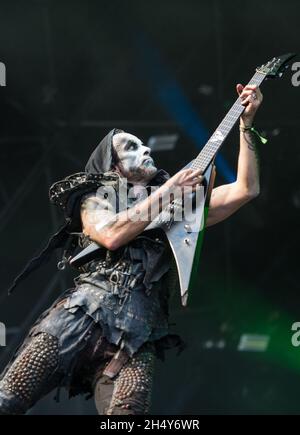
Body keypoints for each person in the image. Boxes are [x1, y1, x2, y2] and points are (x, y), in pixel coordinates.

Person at [0, 84, 262, 415]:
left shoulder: (175, 208)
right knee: (7, 399)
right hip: (81, 315)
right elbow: (109, 234)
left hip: (138, 336)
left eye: (143, 145)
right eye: (131, 148)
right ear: (112, 167)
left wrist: (246, 125)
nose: (145, 151)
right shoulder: (96, 196)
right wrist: (168, 189)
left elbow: (245, 189)